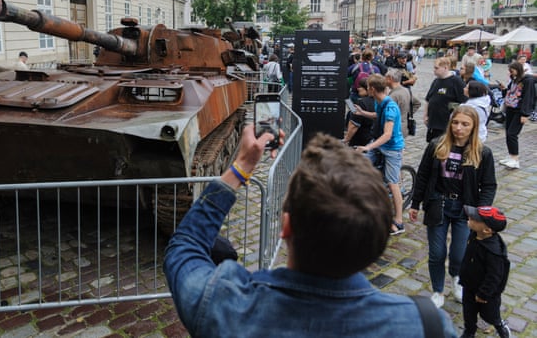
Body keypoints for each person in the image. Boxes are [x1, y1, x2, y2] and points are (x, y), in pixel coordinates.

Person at [164, 126, 456, 337]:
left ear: (286, 226)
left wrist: (240, 168)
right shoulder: (425, 326)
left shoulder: (224, 305)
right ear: (378, 241)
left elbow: (185, 246)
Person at [409, 105, 497, 309]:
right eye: (455, 123)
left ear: (474, 126)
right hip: (438, 204)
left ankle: (457, 279)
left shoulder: (482, 152)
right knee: (437, 252)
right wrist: (415, 202)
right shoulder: (436, 145)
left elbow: (489, 185)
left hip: (465, 209)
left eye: (465, 124)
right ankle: (438, 290)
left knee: (459, 253)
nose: (459, 127)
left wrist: (481, 212)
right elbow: (422, 175)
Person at [355, 74, 405, 236]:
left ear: (372, 89)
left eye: (368, 87)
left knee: (392, 183)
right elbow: (377, 116)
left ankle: (398, 220)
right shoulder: (379, 102)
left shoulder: (390, 107)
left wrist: (368, 147)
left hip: (391, 148)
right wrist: (363, 113)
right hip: (379, 144)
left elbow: (387, 134)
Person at [459, 205, 511, 338]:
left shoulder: (493, 252)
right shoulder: (474, 234)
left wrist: (483, 294)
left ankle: (499, 324)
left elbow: (495, 276)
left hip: (486, 293)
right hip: (469, 285)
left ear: (487, 230)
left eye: (474, 218)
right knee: (468, 312)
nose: (469, 218)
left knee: (489, 314)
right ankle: (469, 331)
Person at [497, 61, 535, 169]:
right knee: (508, 133)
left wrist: (525, 114)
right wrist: (504, 89)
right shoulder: (514, 80)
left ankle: (515, 159)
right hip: (510, 108)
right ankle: (511, 156)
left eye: (512, 70)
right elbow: (510, 93)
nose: (510, 73)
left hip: (519, 111)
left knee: (512, 134)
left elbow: (528, 97)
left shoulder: (527, 81)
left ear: (517, 70)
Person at [424, 57, 467, 142]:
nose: (434, 70)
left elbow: (464, 102)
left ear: (446, 67)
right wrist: (425, 115)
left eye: (436, 68)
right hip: (433, 123)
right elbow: (428, 99)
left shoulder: (456, 81)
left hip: (446, 124)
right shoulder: (436, 81)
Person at [386, 68, 419, 139]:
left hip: (394, 128)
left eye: (386, 78)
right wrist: (407, 114)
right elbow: (417, 103)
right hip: (403, 127)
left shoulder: (393, 96)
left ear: (390, 78)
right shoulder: (406, 90)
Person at [342, 77, 375, 147]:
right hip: (373, 137)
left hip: (360, 139)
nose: (358, 88)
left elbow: (354, 125)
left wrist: (346, 139)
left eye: (360, 86)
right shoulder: (378, 101)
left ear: (367, 88)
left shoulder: (361, 103)